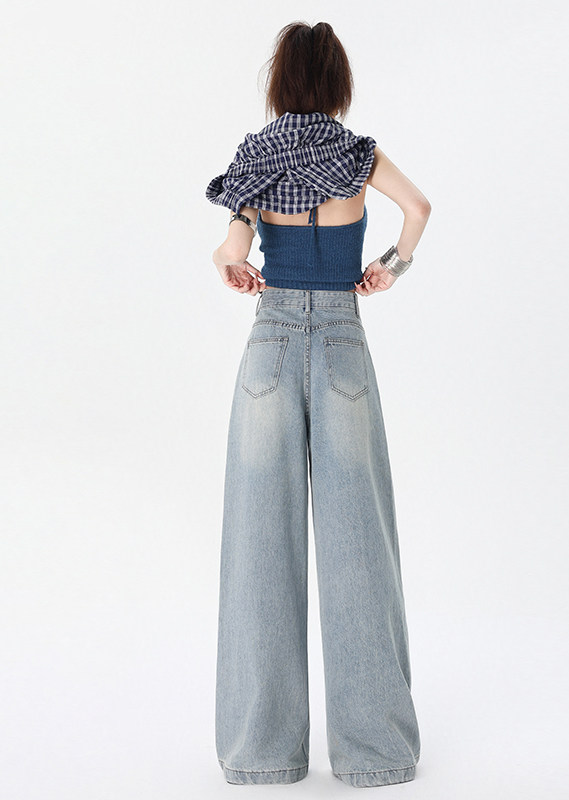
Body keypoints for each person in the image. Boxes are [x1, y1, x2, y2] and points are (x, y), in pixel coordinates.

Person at [205, 21, 431, 788]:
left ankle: (262, 753)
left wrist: (233, 264)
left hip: (268, 348)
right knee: (359, 546)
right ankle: (377, 755)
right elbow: (419, 208)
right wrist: (392, 265)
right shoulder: (357, 155)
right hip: (341, 343)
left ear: (279, 83)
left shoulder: (257, 157)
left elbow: (232, 247)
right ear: (337, 82)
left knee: (258, 550)